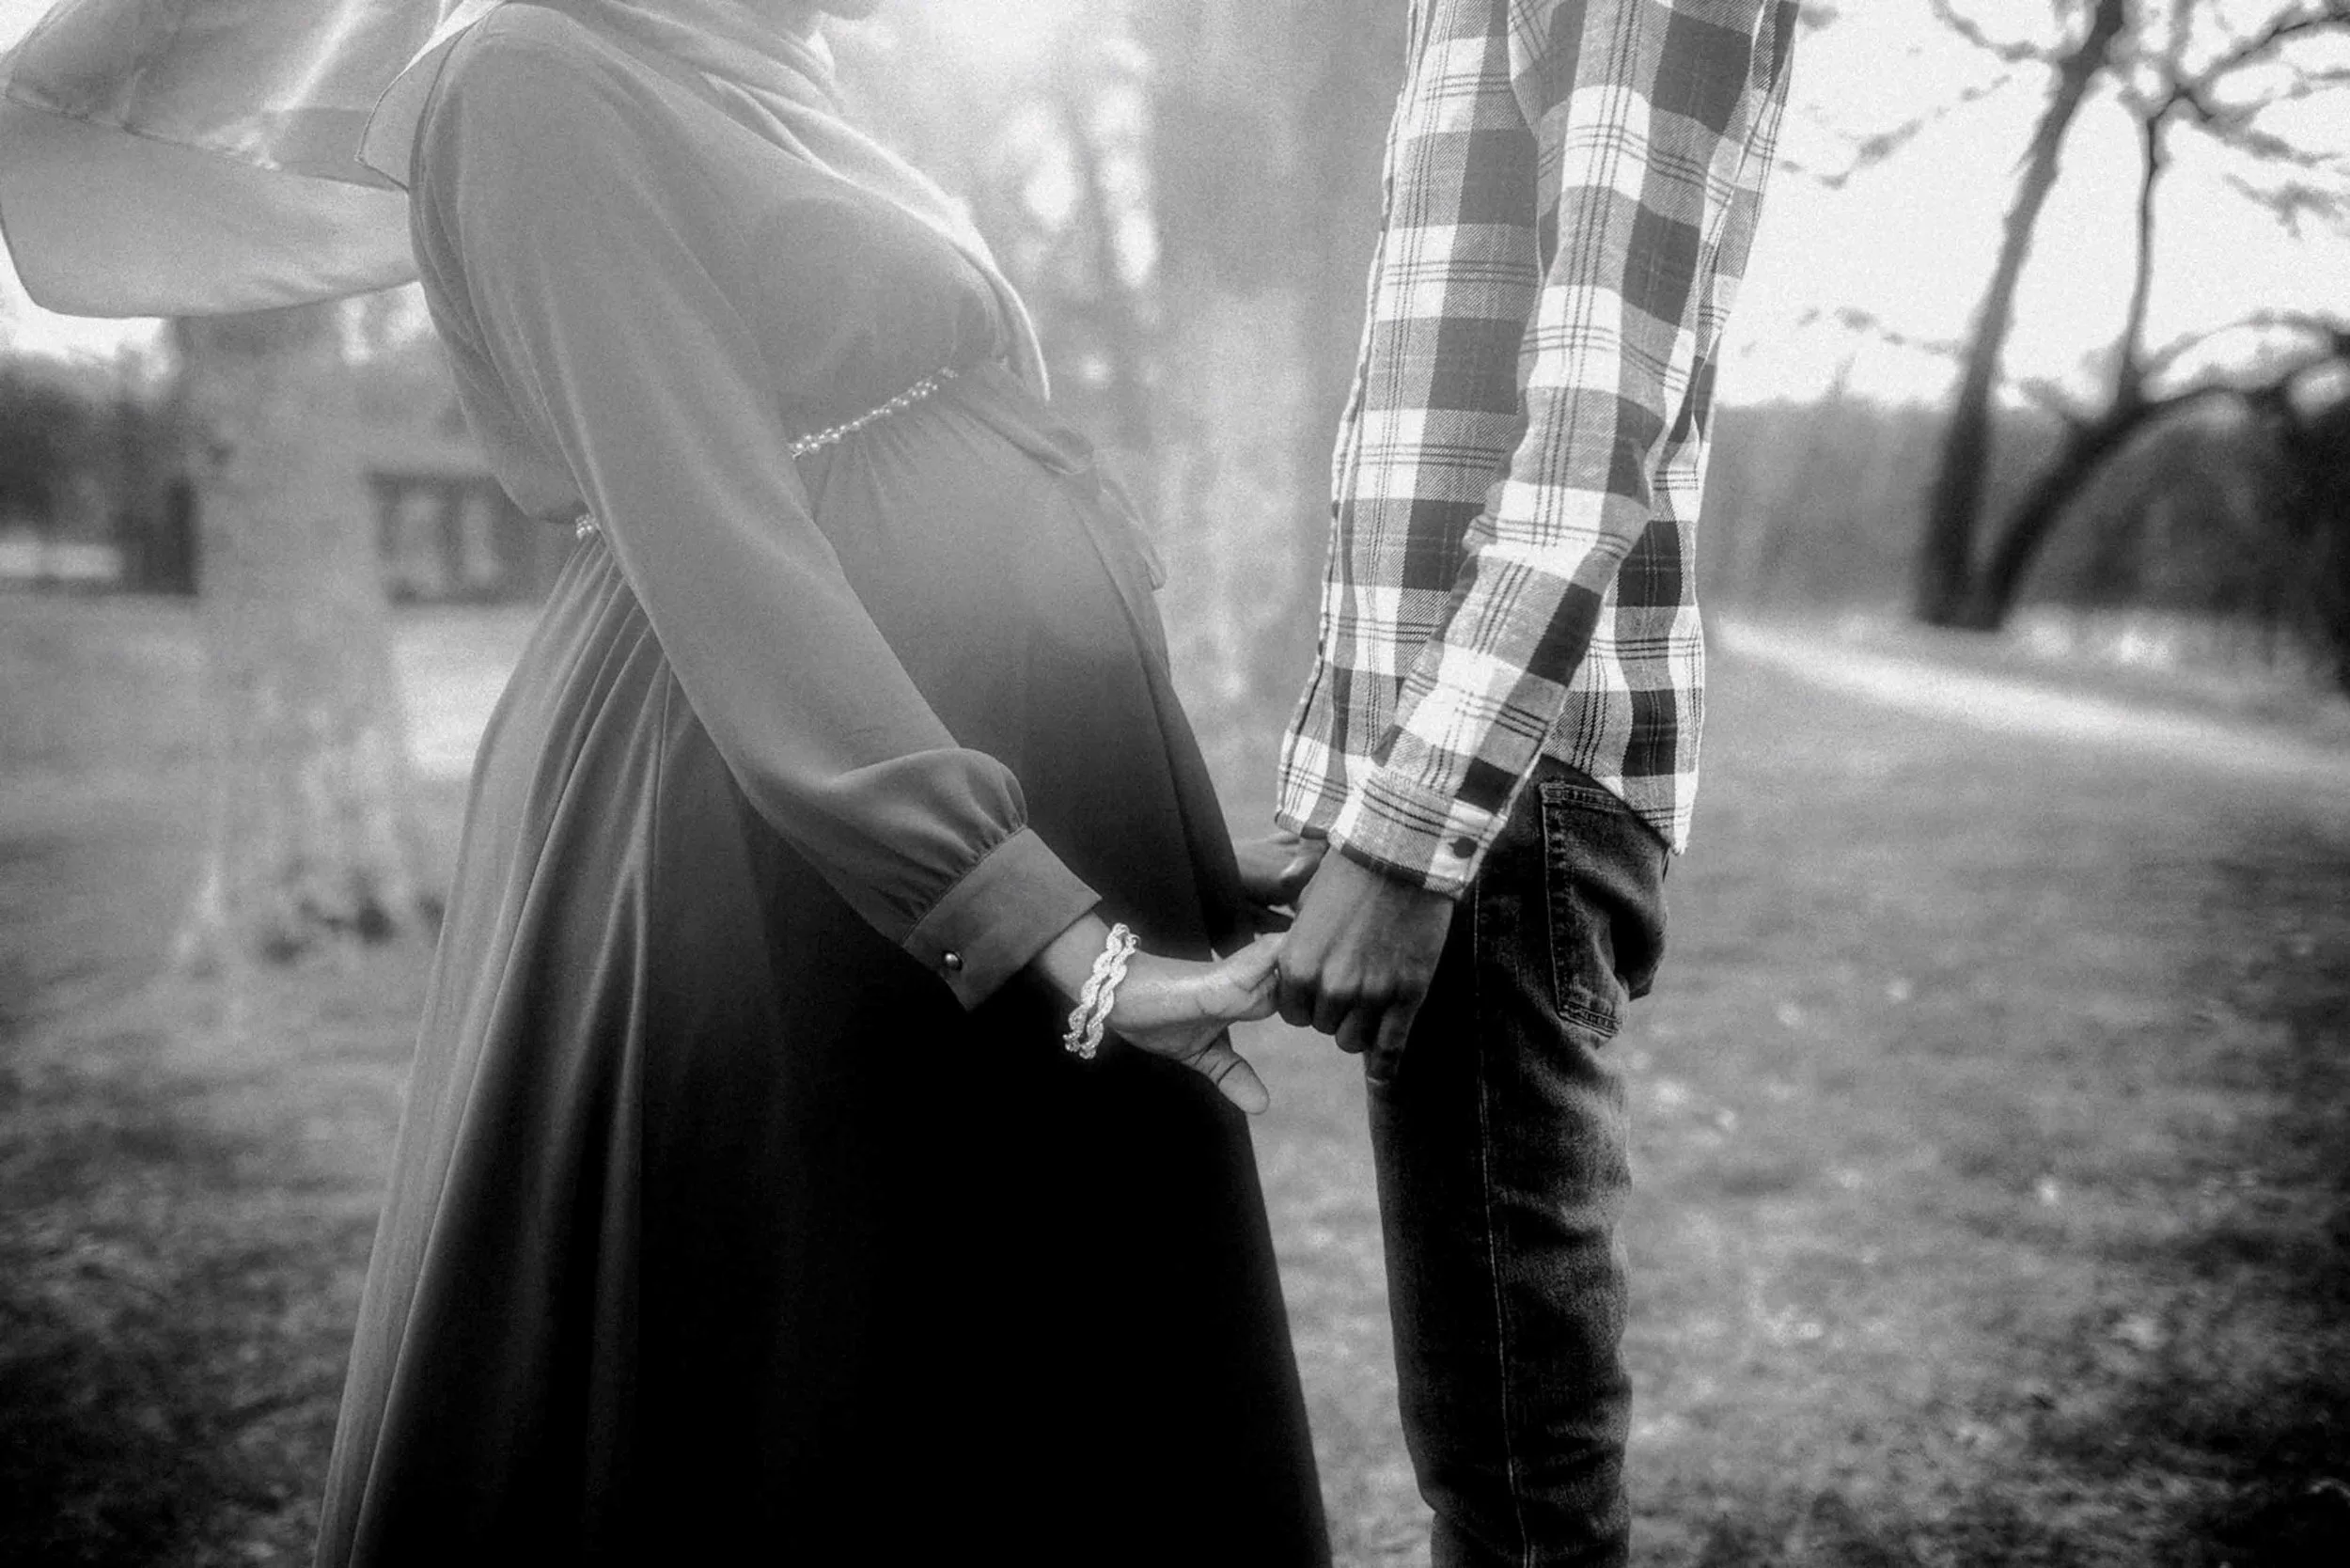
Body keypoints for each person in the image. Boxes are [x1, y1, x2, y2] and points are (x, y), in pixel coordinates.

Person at [1, 2, 1329, 1562]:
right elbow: (708, 530)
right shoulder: (529, 83)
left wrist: (1150, 833)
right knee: (800, 1400)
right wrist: (1027, 912)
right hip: (766, 838)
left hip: (960, 815)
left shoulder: (780, 75)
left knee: (1020, 1396)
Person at [1269, 4, 1801, 1563]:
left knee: (1518, 1487)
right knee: (1490, 1458)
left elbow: (1589, 437)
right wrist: (1341, 806)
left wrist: (1410, 835)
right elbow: (1434, 425)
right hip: (1469, 790)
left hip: (1513, 796)